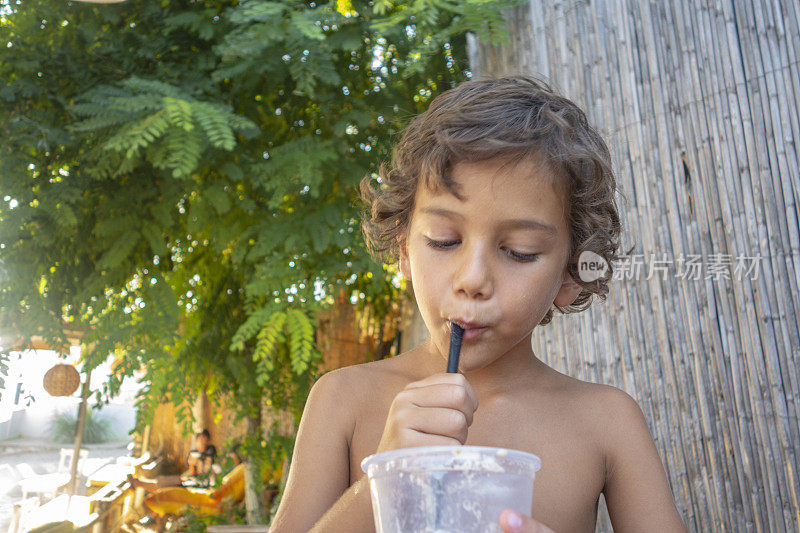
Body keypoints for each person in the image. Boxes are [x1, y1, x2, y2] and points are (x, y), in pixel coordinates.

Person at [270, 76, 687, 532]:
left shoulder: (606, 421)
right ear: (404, 248)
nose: (472, 280)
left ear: (570, 275)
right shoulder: (342, 399)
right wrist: (387, 475)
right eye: (444, 240)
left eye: (520, 251)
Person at [129, 429, 218, 492]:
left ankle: (137, 483)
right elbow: (193, 472)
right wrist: (192, 464)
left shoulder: (210, 450)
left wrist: (198, 462)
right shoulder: (193, 453)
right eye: (200, 439)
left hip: (199, 482)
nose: (202, 441)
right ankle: (138, 482)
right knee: (163, 480)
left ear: (208, 440)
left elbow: (207, 470)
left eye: (204, 439)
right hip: (190, 479)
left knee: (166, 486)